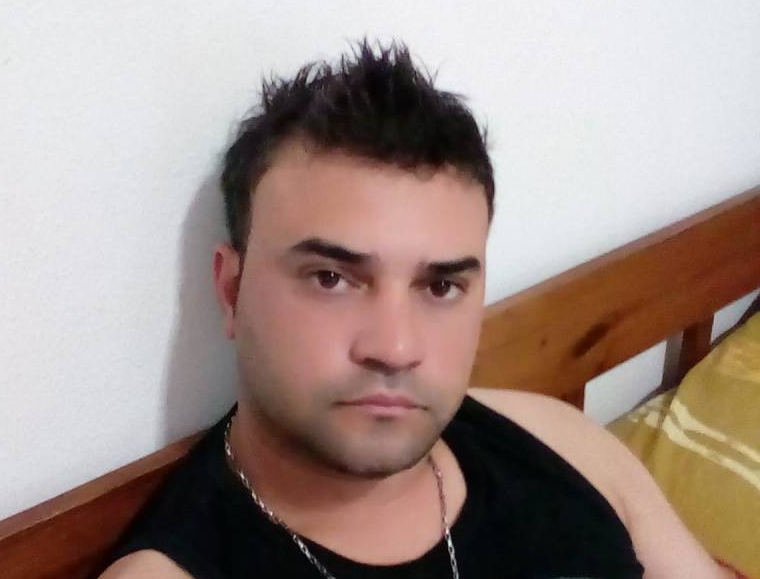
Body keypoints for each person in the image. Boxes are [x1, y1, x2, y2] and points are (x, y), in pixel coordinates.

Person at [100, 41, 735, 578]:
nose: (396, 348)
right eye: (331, 278)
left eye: (440, 287)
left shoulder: (559, 442)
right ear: (231, 290)